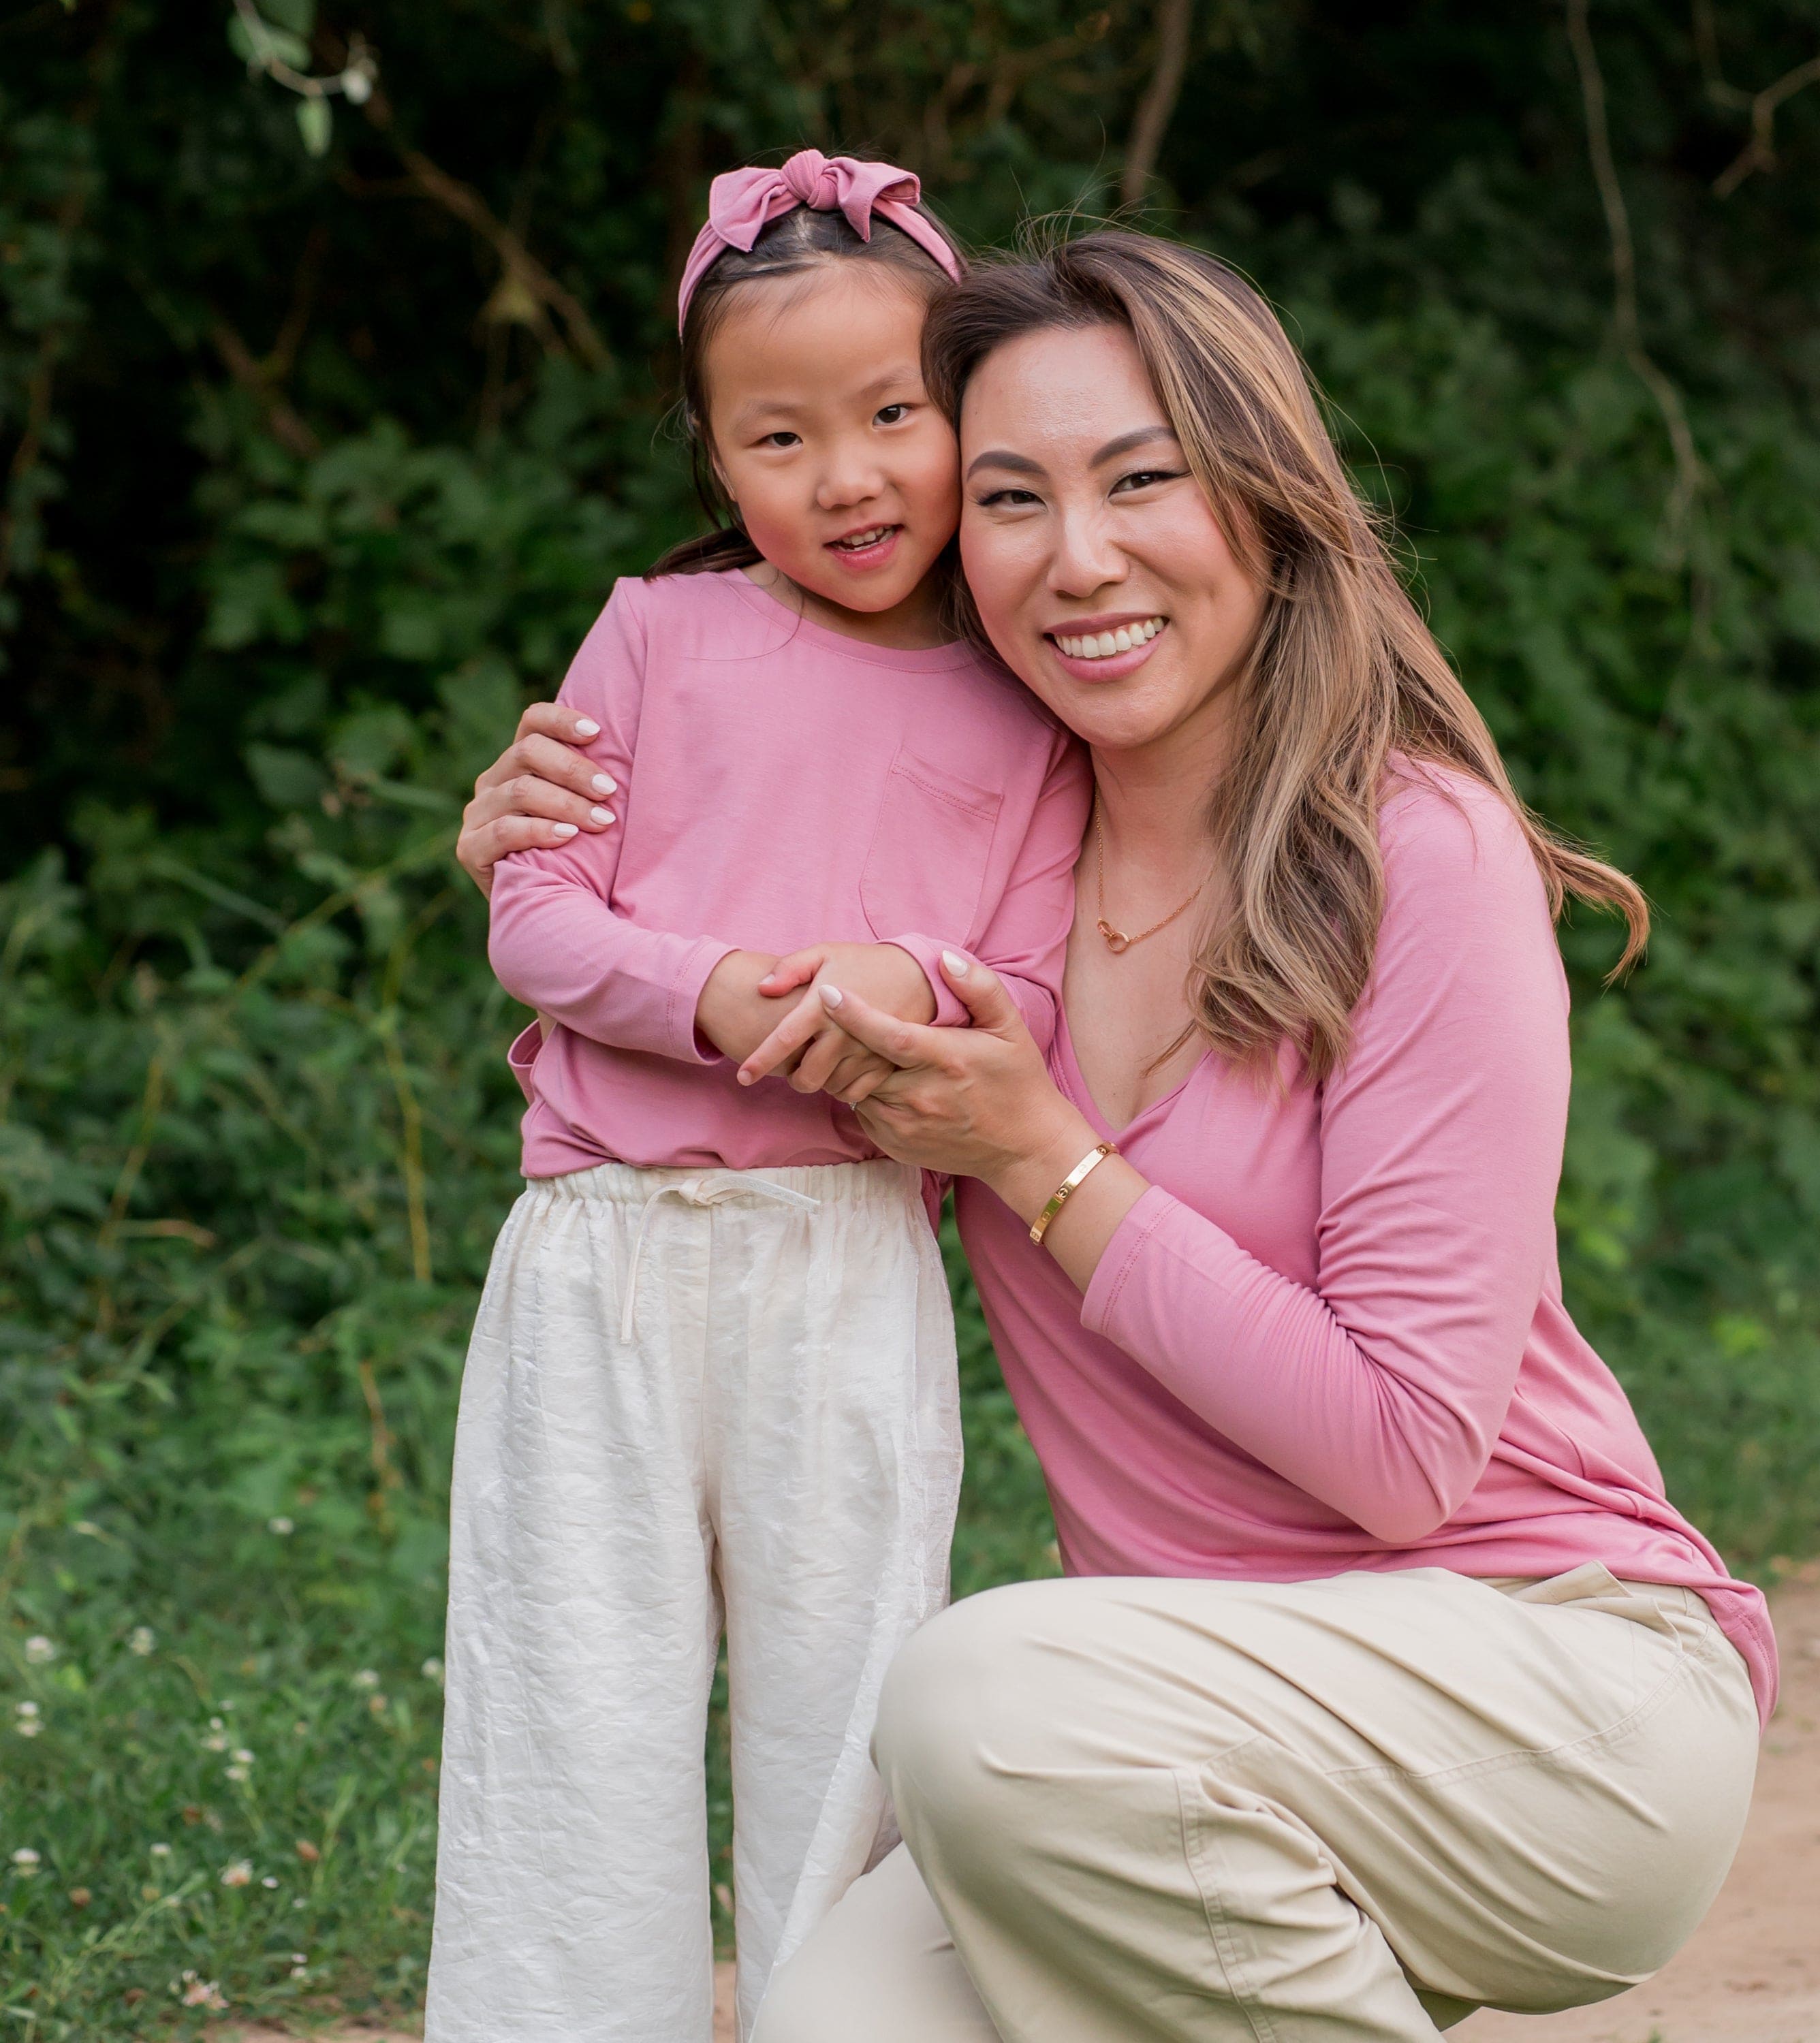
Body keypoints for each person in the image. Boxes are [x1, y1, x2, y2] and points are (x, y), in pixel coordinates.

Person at [458, 229, 1776, 2042]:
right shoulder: (977, 854)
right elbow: (694, 863)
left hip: (1554, 1685)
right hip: (1179, 1739)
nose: (1079, 558)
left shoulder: (1416, 855)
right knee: (836, 2016)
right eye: (1010, 497)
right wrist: (531, 836)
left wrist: (1042, 1159)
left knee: (976, 1690)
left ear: (1264, 498)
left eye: (1140, 479)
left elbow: (1404, 1456)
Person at [426, 153, 1088, 2043]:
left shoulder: (1022, 700)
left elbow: (1027, 987)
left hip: (849, 1263)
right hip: (601, 1262)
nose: (851, 475)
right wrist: (715, 996)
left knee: (850, 1714)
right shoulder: (655, 635)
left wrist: (914, 988)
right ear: (719, 466)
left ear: (968, 413)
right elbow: (536, 915)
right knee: (574, 1705)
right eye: (780, 437)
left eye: (896, 415)